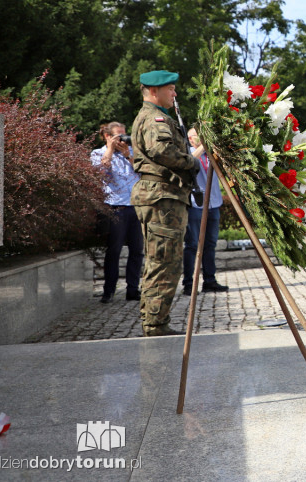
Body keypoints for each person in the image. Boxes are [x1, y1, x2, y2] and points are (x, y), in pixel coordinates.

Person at [130, 70, 200, 336]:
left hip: (164, 196)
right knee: (163, 261)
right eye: (170, 89)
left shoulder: (157, 116)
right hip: (162, 197)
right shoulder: (154, 117)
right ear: (153, 91)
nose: (175, 93)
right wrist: (192, 161)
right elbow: (162, 150)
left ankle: (156, 322)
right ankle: (155, 325)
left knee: (164, 260)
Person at [90, 121, 143, 304]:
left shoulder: (131, 152)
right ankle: (109, 291)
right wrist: (111, 149)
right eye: (118, 135)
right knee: (114, 251)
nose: (123, 138)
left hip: (136, 206)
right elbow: (102, 170)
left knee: (137, 251)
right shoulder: (97, 153)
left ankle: (133, 290)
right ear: (107, 136)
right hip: (115, 208)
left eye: (124, 134)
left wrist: (128, 154)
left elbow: (143, 171)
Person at [181, 128, 230, 296]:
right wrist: (203, 146)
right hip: (196, 204)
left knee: (210, 244)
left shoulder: (211, 154)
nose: (202, 138)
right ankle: (188, 283)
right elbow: (188, 162)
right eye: (198, 136)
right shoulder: (186, 151)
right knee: (192, 245)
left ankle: (210, 280)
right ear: (189, 138)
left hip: (213, 203)